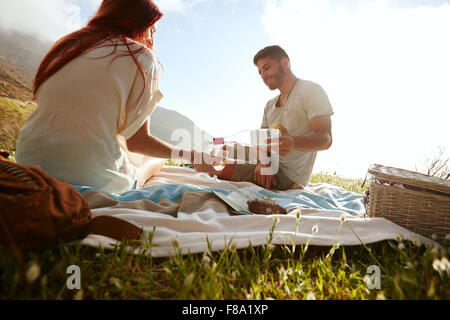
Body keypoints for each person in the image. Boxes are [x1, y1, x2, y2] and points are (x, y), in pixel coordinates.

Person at [15, 0, 207, 195]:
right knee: (153, 160)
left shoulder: (66, 48)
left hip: (27, 166)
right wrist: (194, 156)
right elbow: (138, 142)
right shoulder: (140, 57)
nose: (151, 38)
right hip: (89, 178)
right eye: (153, 30)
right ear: (142, 24)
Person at [195, 45, 334, 190]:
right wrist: (263, 161)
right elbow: (261, 140)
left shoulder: (311, 91)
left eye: (267, 68)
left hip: (287, 174)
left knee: (213, 165)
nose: (263, 75)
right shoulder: (270, 105)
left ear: (285, 63)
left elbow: (326, 139)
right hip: (268, 160)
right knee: (220, 149)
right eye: (260, 72)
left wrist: (293, 142)